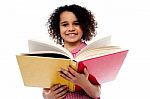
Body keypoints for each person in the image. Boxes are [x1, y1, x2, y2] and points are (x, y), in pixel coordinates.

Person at [43, 4, 101, 99]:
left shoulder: (91, 53)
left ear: (84, 26)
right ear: (58, 28)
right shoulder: (53, 54)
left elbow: (96, 93)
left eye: (76, 24)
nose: (71, 29)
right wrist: (48, 96)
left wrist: (84, 83)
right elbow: (45, 90)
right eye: (65, 25)